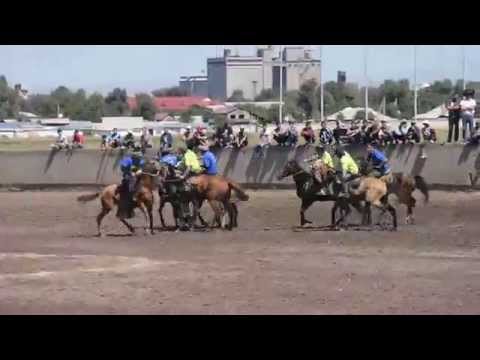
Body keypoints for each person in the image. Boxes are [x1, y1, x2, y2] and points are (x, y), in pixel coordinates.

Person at [118, 146, 145, 218]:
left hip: (138, 175)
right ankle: (132, 195)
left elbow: (142, 167)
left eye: (139, 157)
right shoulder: (128, 160)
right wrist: (129, 173)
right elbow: (122, 168)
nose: (139, 159)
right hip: (128, 176)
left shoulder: (141, 160)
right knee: (132, 179)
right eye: (137, 157)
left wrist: (141, 170)